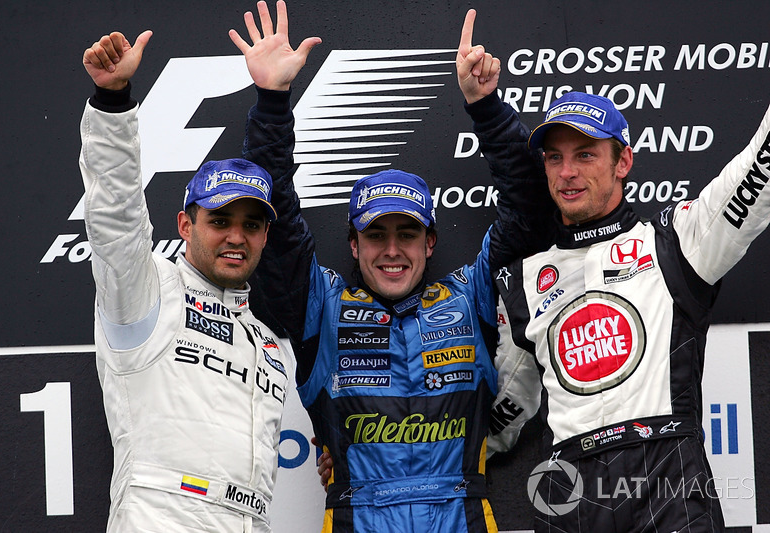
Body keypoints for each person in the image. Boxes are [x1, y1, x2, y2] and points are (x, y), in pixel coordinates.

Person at [233, 4, 548, 532]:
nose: (392, 250)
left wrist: (485, 107)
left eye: (406, 234)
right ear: (353, 246)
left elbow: (531, 214)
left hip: (462, 513)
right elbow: (277, 215)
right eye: (376, 235)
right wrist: (271, 102)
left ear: (430, 242)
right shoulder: (324, 305)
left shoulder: (470, 295)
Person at [484, 41, 770, 533]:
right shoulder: (525, 279)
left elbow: (757, 173)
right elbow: (504, 409)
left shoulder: (677, 242)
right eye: (555, 158)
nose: (568, 172)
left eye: (586, 155)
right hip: (570, 489)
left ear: (623, 162)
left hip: (667, 477)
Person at [79, 6, 319, 530]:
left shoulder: (266, 338)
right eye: (221, 220)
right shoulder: (145, 293)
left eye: (253, 224)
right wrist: (113, 104)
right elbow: (115, 214)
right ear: (185, 225)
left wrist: (275, 99)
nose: (237, 236)